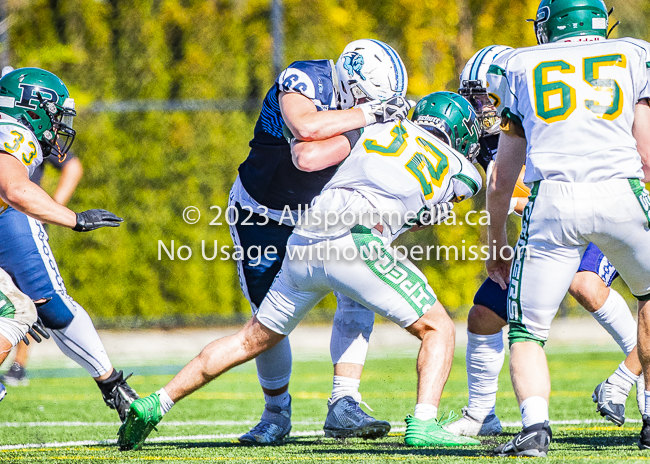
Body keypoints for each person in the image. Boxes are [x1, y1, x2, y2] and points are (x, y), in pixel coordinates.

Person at [116, 91, 485, 451]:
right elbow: (435, 204)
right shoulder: (465, 170)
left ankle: (156, 403)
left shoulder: (374, 127)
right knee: (439, 327)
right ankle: (423, 421)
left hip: (305, 238)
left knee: (248, 340)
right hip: (355, 241)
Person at [444, 43, 643, 437]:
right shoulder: (490, 136)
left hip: (596, 210)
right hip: (548, 232)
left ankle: (627, 377)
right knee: (484, 314)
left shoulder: (539, 117)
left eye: (487, 94)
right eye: (475, 97)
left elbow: (517, 191)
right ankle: (481, 415)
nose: (482, 106)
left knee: (585, 284)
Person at [484, 0, 650, 456]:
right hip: (621, 193)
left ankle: (535, 430)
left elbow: (501, 179)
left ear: (555, 23)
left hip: (552, 202)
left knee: (527, 330)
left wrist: (496, 241)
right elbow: (648, 156)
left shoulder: (517, 64)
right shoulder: (635, 53)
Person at [228, 39, 412, 443]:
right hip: (261, 212)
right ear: (348, 78)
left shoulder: (368, 107)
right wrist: (367, 113)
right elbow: (306, 143)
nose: (370, 107)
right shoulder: (305, 78)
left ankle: (344, 401)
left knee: (358, 294)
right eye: (364, 97)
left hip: (324, 210)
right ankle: (276, 412)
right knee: (269, 321)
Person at [0, 67, 139, 420]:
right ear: (31, 107)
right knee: (18, 311)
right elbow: (14, 189)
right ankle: (112, 385)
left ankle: (111, 383)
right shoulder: (15, 133)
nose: (58, 124)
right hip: (8, 211)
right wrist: (74, 218)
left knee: (27, 307)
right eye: (54, 113)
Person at [0, 151, 83, 386]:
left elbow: (73, 166)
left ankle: (19, 364)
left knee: (26, 300)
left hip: (20, 225)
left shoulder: (26, 130)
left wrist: (53, 210)